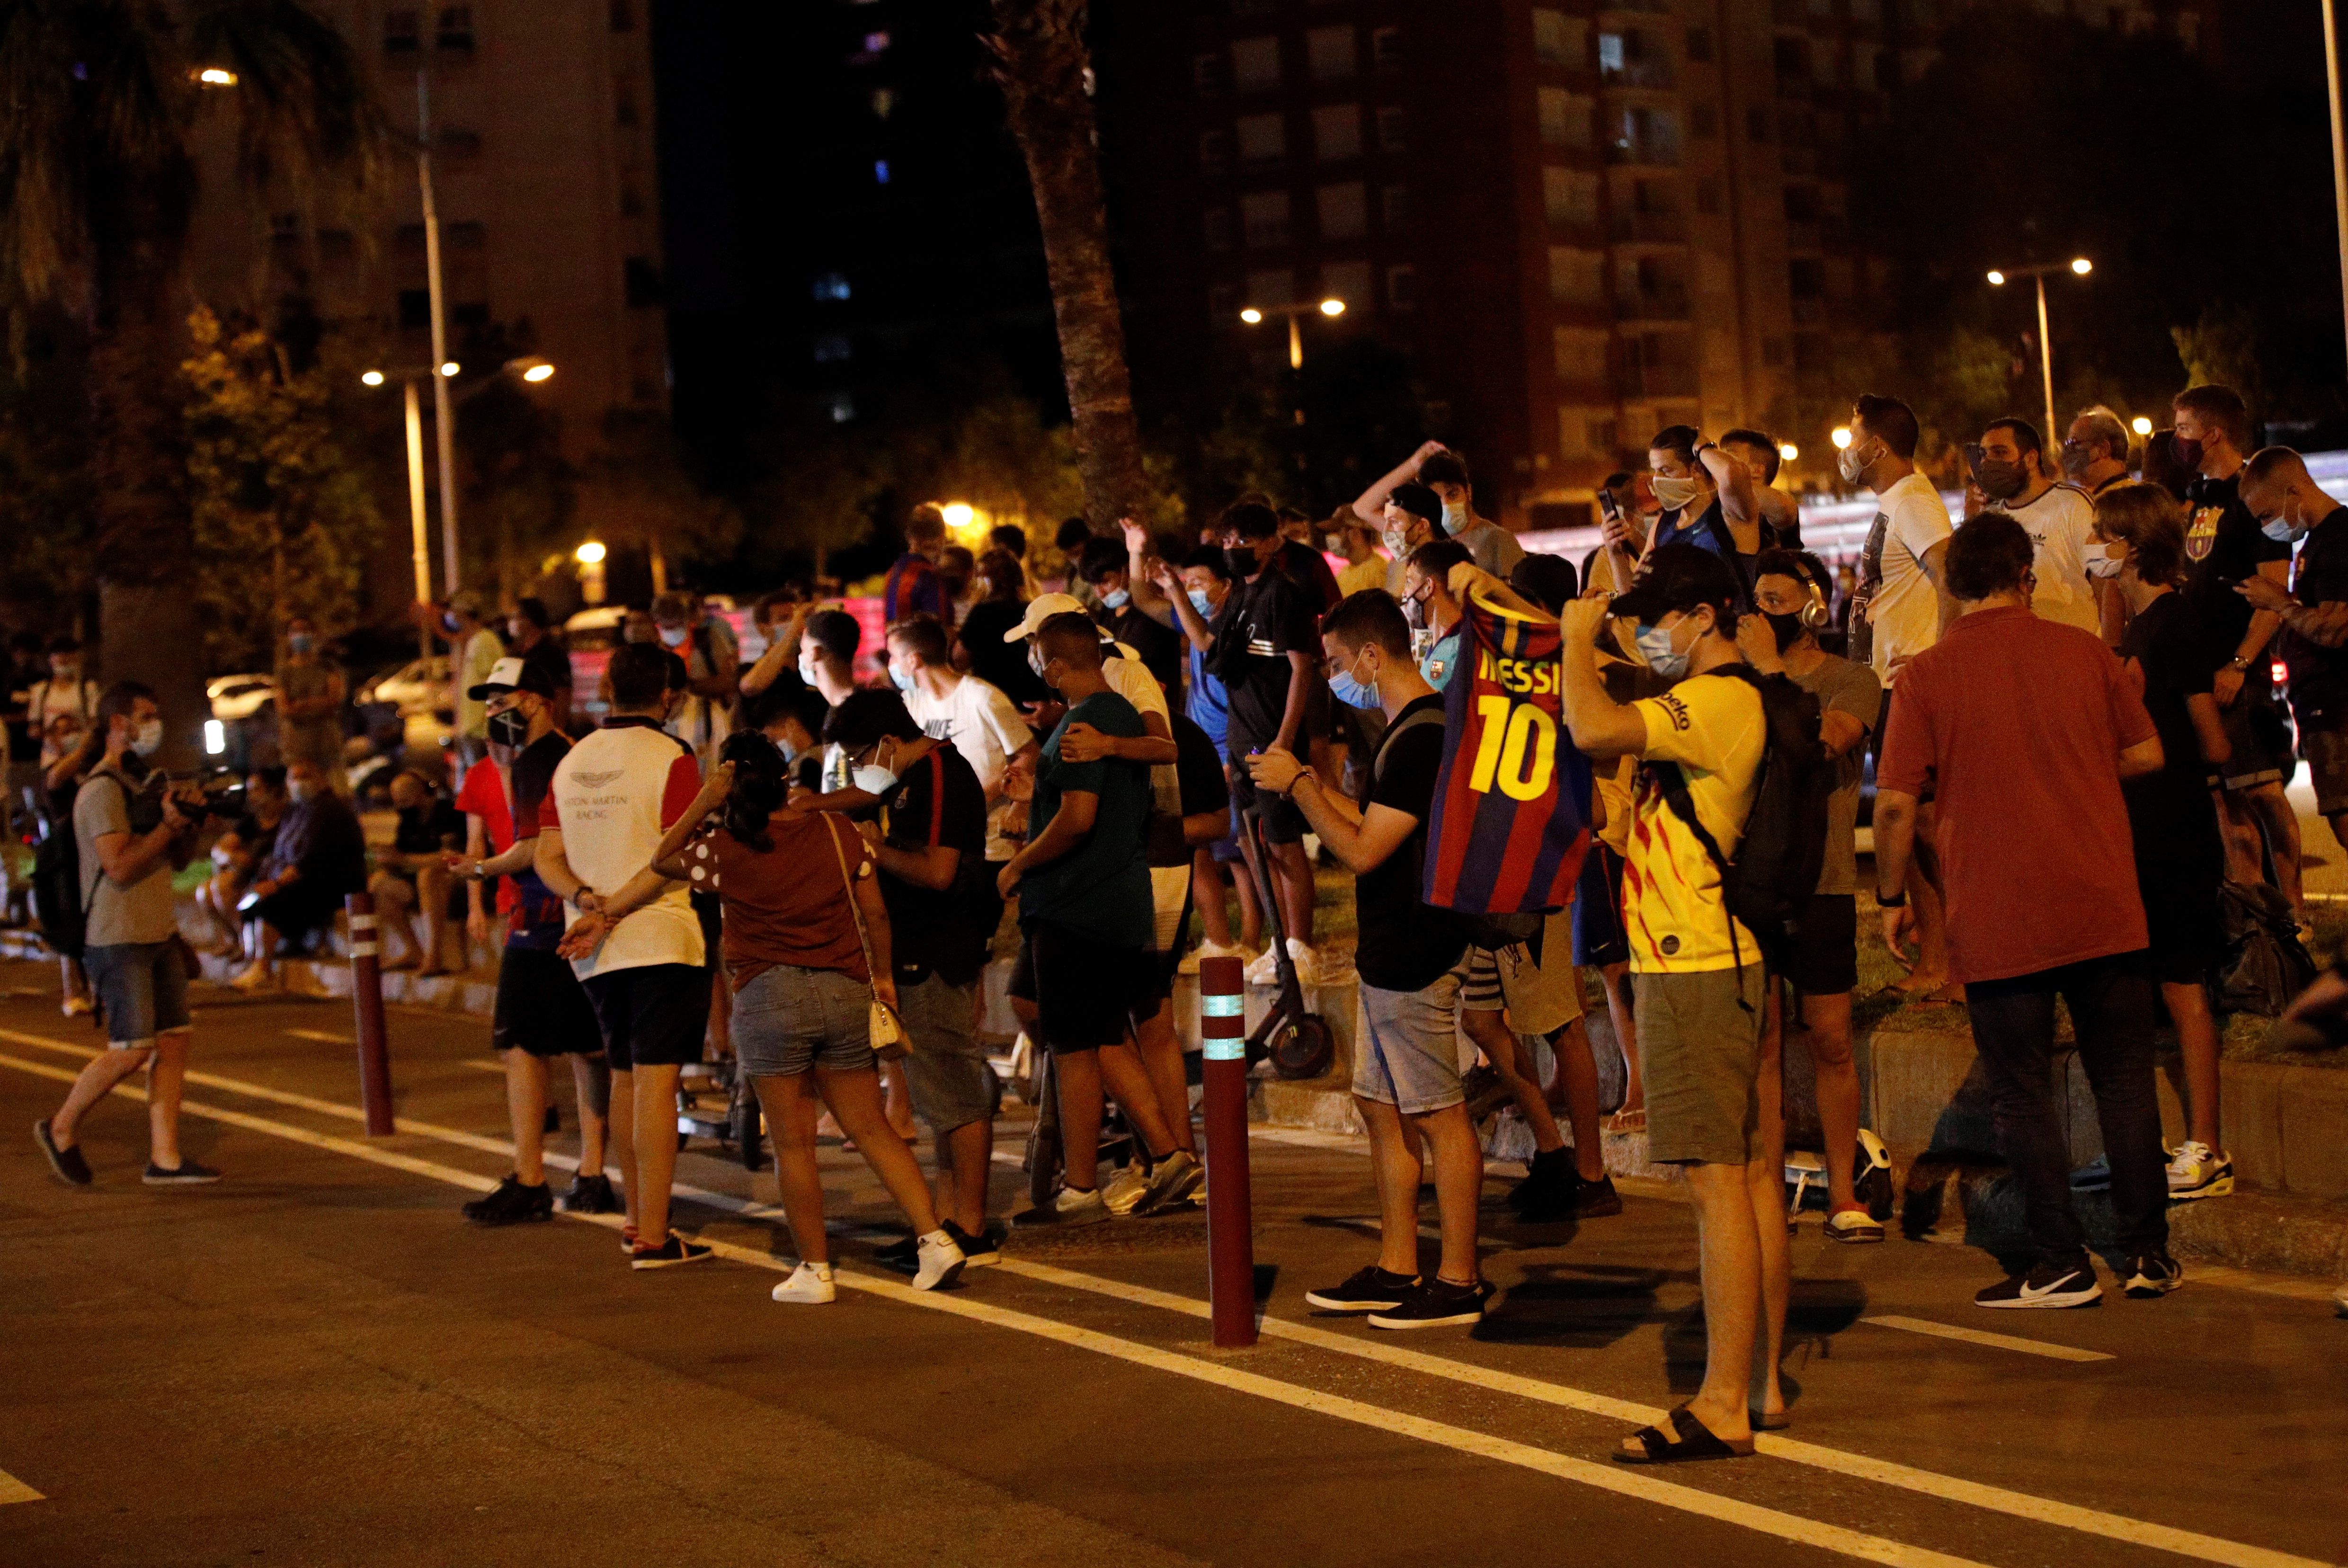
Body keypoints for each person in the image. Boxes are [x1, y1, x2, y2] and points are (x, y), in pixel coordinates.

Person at [1873, 513, 2178, 1309]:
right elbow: (2148, 753)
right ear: (2026, 577)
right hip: (2103, 902)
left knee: (2021, 1091)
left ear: (1952, 585)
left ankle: (2061, 1262)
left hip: (2000, 914)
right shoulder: (2085, 652)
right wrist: (2077, 761)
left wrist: (1891, 896)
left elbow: (1897, 806)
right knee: (2124, 1080)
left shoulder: (1927, 676)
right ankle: (2149, 1254)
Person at [567, 731, 968, 1299]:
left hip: (768, 999)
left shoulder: (724, 848)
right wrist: (880, 978)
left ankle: (816, 1270)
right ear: (784, 778)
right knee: (872, 1127)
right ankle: (935, 1238)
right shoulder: (838, 831)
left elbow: (662, 859)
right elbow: (875, 914)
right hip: (843, 990)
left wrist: (703, 802)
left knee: (794, 1143)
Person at [1553, 546, 1784, 1458]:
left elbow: (1590, 726)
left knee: (1717, 1182)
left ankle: (1723, 1399)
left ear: (1702, 615)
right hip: (1702, 954)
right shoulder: (1705, 705)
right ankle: (1755, 1385)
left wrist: (1578, 642)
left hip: (1699, 961)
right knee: (1743, 1171)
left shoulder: (1719, 698)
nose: (1647, 630)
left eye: (1660, 615)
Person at [1256, 590, 1487, 1328]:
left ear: (1371, 655)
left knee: (1439, 1116)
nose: (1329, 678)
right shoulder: (1403, 731)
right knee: (1380, 1106)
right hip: (1391, 948)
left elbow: (1361, 850)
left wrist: (1297, 784)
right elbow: (1366, 823)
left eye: (1333, 664)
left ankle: (1458, 1280)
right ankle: (1397, 1267)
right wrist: (1311, 784)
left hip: (1419, 948)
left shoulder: (1423, 735)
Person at [999, 614, 1199, 1224]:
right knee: (1086, 1039)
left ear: (1056, 665)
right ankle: (1109, 1175)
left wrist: (1019, 866)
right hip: (1091, 904)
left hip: (1080, 904)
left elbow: (1079, 816)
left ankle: (1149, 1160)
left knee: (1084, 1043)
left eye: (1039, 659)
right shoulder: (1101, 719)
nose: (1038, 671)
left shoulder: (1093, 718)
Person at [534, 642, 715, 1268]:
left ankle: (639, 1220)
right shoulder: (673, 757)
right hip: (660, 933)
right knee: (658, 1084)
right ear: (668, 696)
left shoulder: (571, 761)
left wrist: (587, 901)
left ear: (607, 688)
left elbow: (545, 856)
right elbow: (677, 854)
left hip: (591, 946)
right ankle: (656, 1237)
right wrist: (613, 908)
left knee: (625, 1076)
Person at [2089, 483, 2232, 1203]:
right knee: (2147, 993)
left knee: (2184, 990)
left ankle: (2208, 1146)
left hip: (2173, 833)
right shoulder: (2142, 625)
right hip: (2139, 833)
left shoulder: (2175, 625)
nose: (2092, 548)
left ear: (2133, 548)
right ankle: (2155, 1145)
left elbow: (2211, 738)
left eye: (2101, 536)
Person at [824, 691, 1002, 1264]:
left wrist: (873, 852)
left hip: (938, 950)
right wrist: (807, 809)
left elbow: (938, 871)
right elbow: (859, 797)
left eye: (859, 755)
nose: (858, 768)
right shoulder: (908, 775)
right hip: (919, 949)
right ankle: (947, 1222)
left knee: (956, 1094)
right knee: (939, 1102)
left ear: (889, 743)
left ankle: (968, 1224)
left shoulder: (940, 775)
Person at [1741, 550, 1884, 1242]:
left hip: (1823, 882)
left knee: (1830, 1040)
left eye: (1779, 597)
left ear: (1812, 606)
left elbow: (1823, 743)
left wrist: (1767, 678)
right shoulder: (1737, 682)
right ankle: (1767, 1190)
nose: (1766, 609)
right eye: (1758, 598)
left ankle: (1843, 1193)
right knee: (1763, 1044)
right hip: (1754, 886)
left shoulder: (1851, 679)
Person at [446, 656, 618, 1221]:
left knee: (520, 1045)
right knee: (589, 1048)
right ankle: (593, 1172)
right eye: (490, 705)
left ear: (537, 700)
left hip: (542, 917)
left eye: (503, 702)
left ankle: (529, 1178)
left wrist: (479, 871)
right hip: (587, 911)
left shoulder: (534, 763)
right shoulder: (581, 751)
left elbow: (531, 849)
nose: (494, 714)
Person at [31, 682, 216, 1188]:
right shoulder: (101, 790)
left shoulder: (147, 785)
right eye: (145, 715)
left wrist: (186, 823)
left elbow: (175, 860)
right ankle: (61, 1125)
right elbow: (119, 866)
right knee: (133, 1048)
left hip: (159, 929)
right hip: (117, 935)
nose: (154, 723)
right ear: (118, 724)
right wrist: (165, 827)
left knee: (174, 1041)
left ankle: (166, 1158)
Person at [1840, 392, 1958, 999]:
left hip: (1906, 687)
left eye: (1851, 437)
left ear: (1876, 446)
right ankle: (1938, 961)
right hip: (1885, 685)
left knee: (1926, 826)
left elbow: (1947, 570)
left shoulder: (1912, 500)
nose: (1846, 450)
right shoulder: (1895, 503)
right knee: (1913, 831)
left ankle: (1953, 963)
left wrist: (1938, 655)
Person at [2173, 383, 2302, 923]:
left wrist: (2240, 663)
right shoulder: (2197, 497)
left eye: (2180, 428)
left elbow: (2274, 595)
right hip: (2198, 673)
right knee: (2227, 802)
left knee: (2266, 794)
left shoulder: (2255, 495)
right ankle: (2254, 919)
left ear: (2212, 433)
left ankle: (2293, 911)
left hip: (2236, 672)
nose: (2173, 438)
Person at [1193, 502, 1327, 986]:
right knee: (1252, 845)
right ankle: (1279, 943)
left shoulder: (1284, 596)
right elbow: (1215, 657)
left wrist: (1285, 741)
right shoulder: (1237, 598)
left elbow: (1302, 668)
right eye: (1227, 541)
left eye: (1245, 540)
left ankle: (1301, 944)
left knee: (1285, 843)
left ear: (1272, 543)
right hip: (1240, 739)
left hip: (1270, 739)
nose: (1235, 549)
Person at [1145, 544, 1262, 965]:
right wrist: (1136, 546)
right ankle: (1237, 943)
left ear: (1226, 585)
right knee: (1226, 852)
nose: (1190, 590)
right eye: (1187, 581)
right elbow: (1145, 601)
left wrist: (1235, 754)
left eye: (1198, 583)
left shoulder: (1230, 631)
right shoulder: (1201, 621)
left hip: (1228, 746)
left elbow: (1208, 651)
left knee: (1242, 849)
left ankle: (1248, 941)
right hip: (1204, 750)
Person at [886, 612, 1036, 920]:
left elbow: (1029, 754)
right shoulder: (911, 704)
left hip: (989, 847)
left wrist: (977, 802)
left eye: (894, 656)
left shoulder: (982, 698)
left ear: (913, 660)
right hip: (936, 849)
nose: (892, 666)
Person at [231, 757, 366, 991]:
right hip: (302, 880)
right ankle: (253, 959)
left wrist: (276, 884)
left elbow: (310, 859)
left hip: (330, 883)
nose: (299, 783)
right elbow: (280, 852)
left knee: (271, 902)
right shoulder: (297, 810)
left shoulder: (329, 809)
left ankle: (263, 968)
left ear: (321, 780)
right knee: (251, 900)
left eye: (305, 776)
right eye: (294, 778)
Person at [1966, 417, 2099, 634]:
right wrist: (1971, 520)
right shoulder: (1991, 516)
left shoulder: (2072, 504)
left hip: (2071, 650)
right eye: (1984, 455)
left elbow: (2104, 581)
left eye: (2000, 453)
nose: (1988, 463)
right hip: (2016, 652)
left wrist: (2110, 646)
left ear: (2030, 458)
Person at [1637, 426, 1765, 593]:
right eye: (1655, 471)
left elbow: (1732, 473)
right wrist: (1615, 554)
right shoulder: (1664, 523)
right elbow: (1638, 589)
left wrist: (1703, 448)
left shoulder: (1731, 513)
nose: (1657, 479)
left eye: (1666, 470)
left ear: (1697, 469)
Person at [368, 768, 463, 974]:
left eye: (404, 801)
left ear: (420, 793)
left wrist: (404, 860)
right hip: (421, 881)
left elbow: (450, 857)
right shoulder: (408, 820)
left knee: (428, 876)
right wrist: (387, 860)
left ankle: (434, 957)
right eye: (397, 802)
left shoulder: (448, 812)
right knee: (379, 885)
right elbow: (402, 854)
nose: (400, 807)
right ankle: (414, 952)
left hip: (462, 880)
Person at [193, 767, 287, 956]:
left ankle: (247, 944)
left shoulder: (287, 820)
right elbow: (220, 849)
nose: (251, 796)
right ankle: (235, 939)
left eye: (257, 790)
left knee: (223, 887)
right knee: (205, 892)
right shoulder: (253, 822)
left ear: (274, 791)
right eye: (250, 791)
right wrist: (234, 857)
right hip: (250, 875)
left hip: (273, 878)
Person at [1078, 533, 1183, 692]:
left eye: (1105, 582)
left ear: (1127, 570)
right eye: (1094, 585)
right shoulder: (1109, 612)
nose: (1099, 593)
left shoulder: (1154, 616)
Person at [650, 589, 739, 769]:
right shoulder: (654, 650)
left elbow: (728, 682)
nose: (671, 632)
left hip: (710, 724)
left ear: (686, 620)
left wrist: (688, 685)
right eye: (665, 627)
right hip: (669, 724)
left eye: (676, 625)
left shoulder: (708, 640)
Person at [957, 549, 1045, 706]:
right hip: (1033, 698)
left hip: (993, 697)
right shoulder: (1034, 610)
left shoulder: (981, 614)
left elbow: (960, 658)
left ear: (987, 580)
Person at [1402, 540, 1474, 690]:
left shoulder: (1462, 650)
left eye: (1409, 582)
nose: (1404, 593)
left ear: (1429, 586)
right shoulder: (1439, 644)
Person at [446, 589, 503, 767]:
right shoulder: (474, 641)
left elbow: (493, 684)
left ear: (463, 612)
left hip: (480, 728)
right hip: (471, 727)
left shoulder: (484, 641)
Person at [1719, 428, 1799, 548]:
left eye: (1730, 455)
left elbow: (1782, 506)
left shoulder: (1773, 512)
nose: (1718, 460)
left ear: (1757, 470)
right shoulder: (1716, 507)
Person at [506, 598, 575, 734]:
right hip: (525, 731)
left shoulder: (552, 653)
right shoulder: (519, 654)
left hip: (547, 729)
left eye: (516, 617)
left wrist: (557, 731)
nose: (512, 623)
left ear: (530, 620)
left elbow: (563, 694)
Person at [885, 503, 955, 630]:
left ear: (909, 537)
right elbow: (940, 630)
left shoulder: (894, 572)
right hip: (921, 647)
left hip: (898, 646)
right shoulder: (929, 576)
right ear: (940, 538)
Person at [2063, 406, 2135, 497]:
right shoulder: (2133, 496)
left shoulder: (2119, 503)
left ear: (2104, 449)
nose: (2068, 451)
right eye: (2067, 444)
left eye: (2073, 442)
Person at [1329, 513, 1388, 598]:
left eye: (1338, 532)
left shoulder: (1378, 572)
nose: (1333, 537)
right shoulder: (1345, 572)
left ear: (1355, 534)